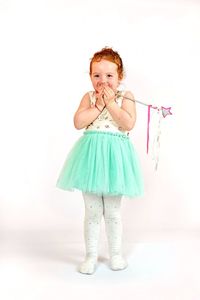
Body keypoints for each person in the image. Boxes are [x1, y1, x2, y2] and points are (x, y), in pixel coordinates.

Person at [56, 47, 143, 274]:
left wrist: (112, 103)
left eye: (109, 76)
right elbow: (78, 122)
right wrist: (98, 105)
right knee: (92, 212)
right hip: (91, 161)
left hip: (115, 162)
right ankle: (91, 256)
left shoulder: (127, 96)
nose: (102, 81)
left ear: (120, 77)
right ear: (90, 77)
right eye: (97, 76)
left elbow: (128, 123)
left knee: (113, 212)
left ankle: (116, 254)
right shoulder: (89, 97)